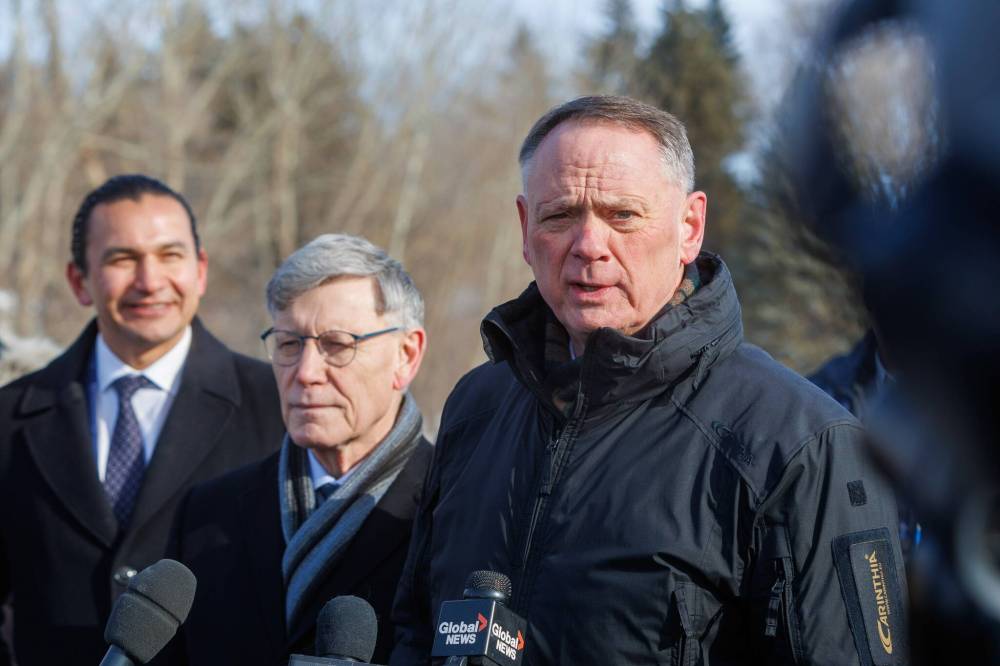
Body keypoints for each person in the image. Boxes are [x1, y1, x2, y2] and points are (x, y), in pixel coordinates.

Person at [390, 96, 908, 665]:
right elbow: (414, 632)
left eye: (623, 216)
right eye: (560, 215)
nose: (588, 246)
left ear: (689, 227)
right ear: (523, 227)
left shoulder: (801, 443)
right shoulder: (476, 409)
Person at [0, 174, 285, 666]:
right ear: (79, 281)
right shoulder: (11, 417)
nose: (149, 281)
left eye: (170, 255)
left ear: (200, 270)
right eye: (122, 258)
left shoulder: (278, 406)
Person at [161, 234, 432, 665]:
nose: (305, 373)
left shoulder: (454, 511)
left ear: (406, 355)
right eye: (289, 345)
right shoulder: (208, 515)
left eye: (337, 345)